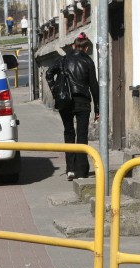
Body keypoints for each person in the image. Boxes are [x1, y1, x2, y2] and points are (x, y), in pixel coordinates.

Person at [45, 32, 99, 181]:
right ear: (86, 47)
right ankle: (82, 171)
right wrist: (98, 109)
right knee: (82, 135)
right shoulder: (88, 62)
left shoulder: (62, 60)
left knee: (69, 132)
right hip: (83, 102)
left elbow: (48, 74)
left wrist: (55, 90)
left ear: (74, 46)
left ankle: (70, 169)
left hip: (65, 101)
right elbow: (94, 86)